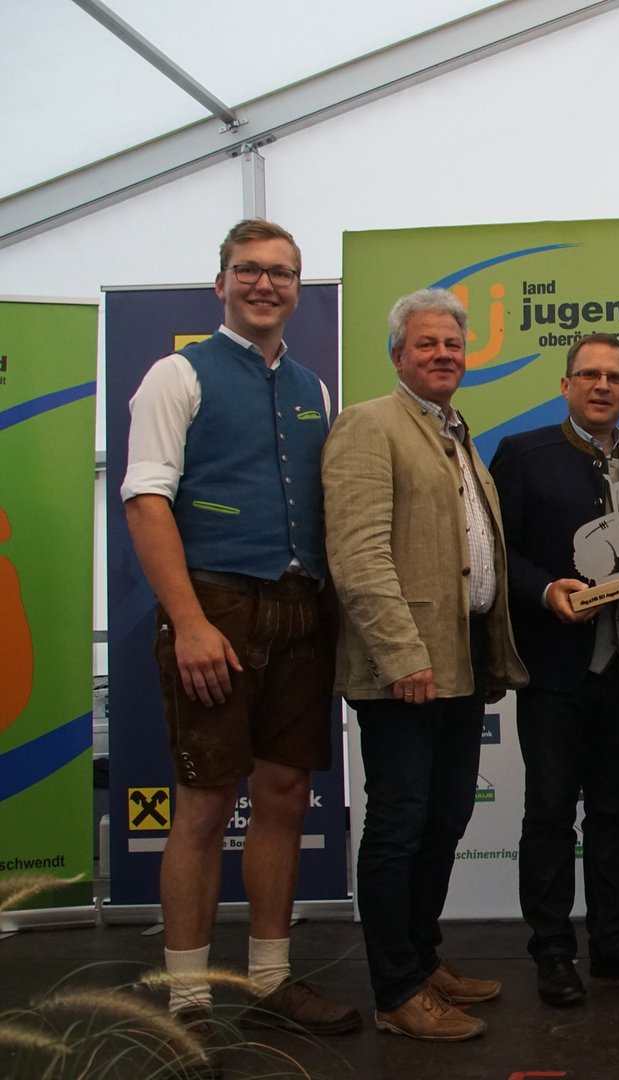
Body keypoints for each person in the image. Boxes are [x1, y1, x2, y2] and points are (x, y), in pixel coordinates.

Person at [121, 219, 359, 1068]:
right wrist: (190, 622)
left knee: (285, 794)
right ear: (220, 282)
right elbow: (146, 502)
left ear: (298, 287)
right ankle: (187, 1000)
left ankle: (267, 980)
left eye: (281, 273)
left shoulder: (311, 386)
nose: (266, 284)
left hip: (300, 609)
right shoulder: (176, 374)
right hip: (214, 606)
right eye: (249, 270)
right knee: (204, 805)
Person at [322, 288, 528, 1041]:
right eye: (426, 344)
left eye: (453, 344)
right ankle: (397, 992)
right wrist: (402, 654)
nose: (443, 354)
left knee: (444, 817)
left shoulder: (455, 432)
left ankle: (423, 958)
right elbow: (358, 556)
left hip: (459, 658)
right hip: (404, 666)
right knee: (400, 823)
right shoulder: (368, 425)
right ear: (397, 354)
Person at [489, 333, 619, 1008]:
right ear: (565, 384)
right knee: (549, 814)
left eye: (615, 377)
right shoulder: (523, 454)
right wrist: (547, 590)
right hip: (556, 668)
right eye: (589, 374)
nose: (602, 386)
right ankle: (552, 952)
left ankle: (615, 942)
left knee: (616, 813)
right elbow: (499, 554)